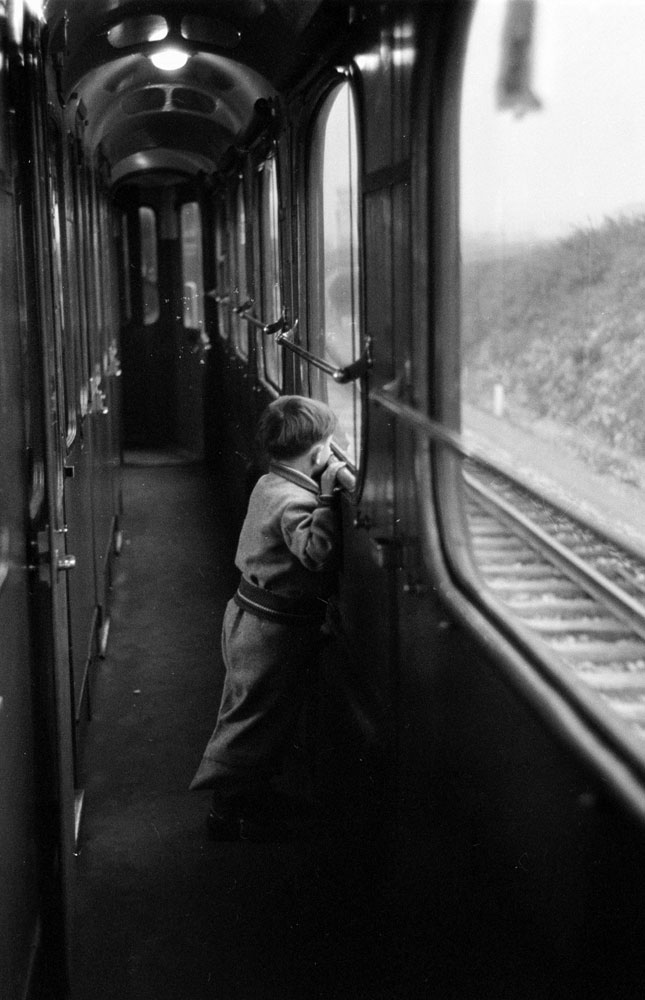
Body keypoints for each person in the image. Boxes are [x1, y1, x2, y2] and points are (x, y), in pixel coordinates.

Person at [190, 395, 355, 841]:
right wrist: (326, 499)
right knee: (252, 719)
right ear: (321, 455)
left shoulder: (268, 483)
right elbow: (316, 554)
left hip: (247, 616)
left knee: (255, 712)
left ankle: (251, 793)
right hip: (270, 631)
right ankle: (223, 809)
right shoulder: (295, 501)